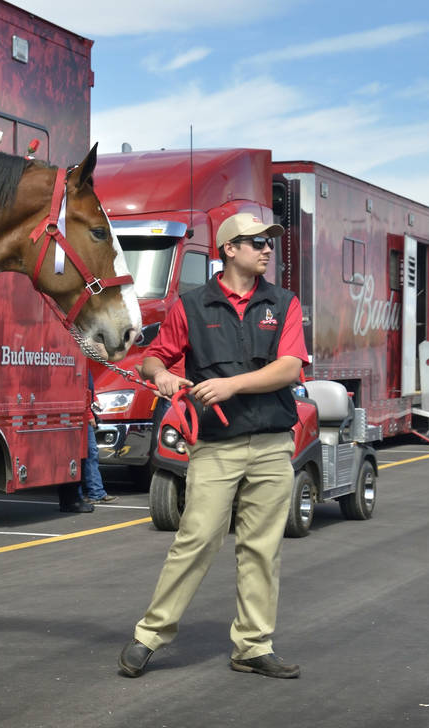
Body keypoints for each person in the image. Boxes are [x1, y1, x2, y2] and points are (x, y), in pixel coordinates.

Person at [118, 212, 309, 680]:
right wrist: (161, 375)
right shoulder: (191, 306)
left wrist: (230, 386)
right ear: (229, 249)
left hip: (270, 445)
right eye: (257, 242)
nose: (267, 249)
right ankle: (150, 635)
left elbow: (289, 368)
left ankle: (252, 646)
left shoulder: (283, 303)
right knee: (196, 539)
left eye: (269, 242)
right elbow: (153, 358)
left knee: (262, 549)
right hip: (216, 447)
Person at [59, 371, 116, 512]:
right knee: (87, 454)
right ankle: (91, 493)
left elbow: (88, 389)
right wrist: (90, 415)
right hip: (82, 416)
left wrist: (94, 401)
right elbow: (82, 391)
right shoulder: (80, 364)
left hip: (83, 413)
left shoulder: (84, 365)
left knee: (88, 455)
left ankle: (93, 492)